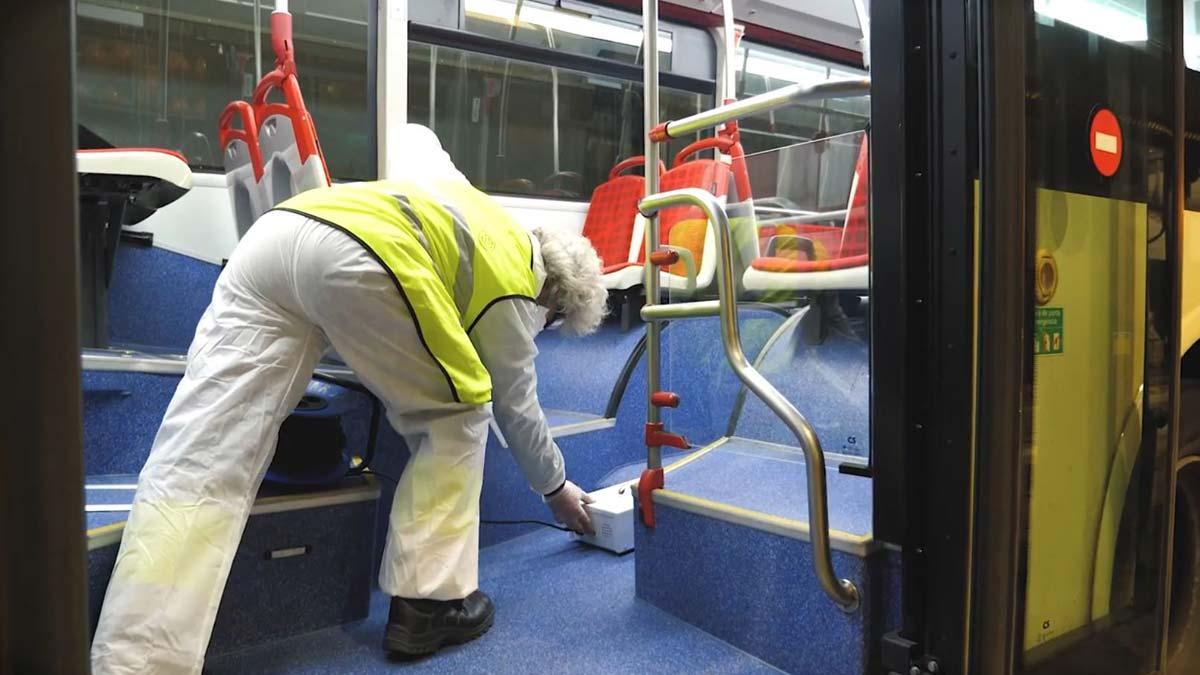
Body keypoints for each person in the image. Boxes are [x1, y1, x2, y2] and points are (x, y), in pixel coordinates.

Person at [90, 125, 607, 674]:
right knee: (458, 413)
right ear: (556, 303)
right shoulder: (520, 285)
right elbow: (515, 403)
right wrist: (555, 487)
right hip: (362, 259)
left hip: (276, 238)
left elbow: (415, 137)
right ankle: (426, 606)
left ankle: (136, 659)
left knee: (201, 455)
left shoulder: (473, 208)